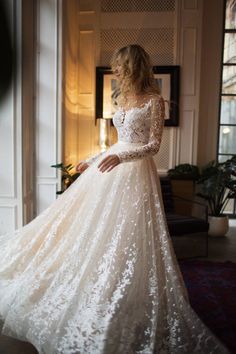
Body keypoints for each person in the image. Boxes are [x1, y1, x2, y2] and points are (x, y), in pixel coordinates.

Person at [0, 45, 229, 354]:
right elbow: (115, 142)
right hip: (109, 170)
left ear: (133, 66)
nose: (116, 71)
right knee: (92, 232)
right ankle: (96, 289)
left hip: (135, 175)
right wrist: (92, 160)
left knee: (128, 237)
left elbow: (152, 146)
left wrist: (121, 158)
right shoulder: (120, 99)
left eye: (120, 66)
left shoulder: (154, 102)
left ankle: (124, 297)